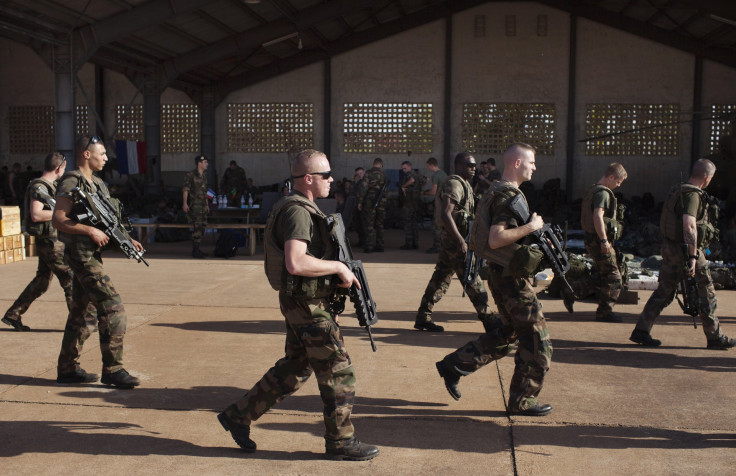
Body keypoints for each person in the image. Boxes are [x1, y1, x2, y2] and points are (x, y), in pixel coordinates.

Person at [217, 149, 380, 461]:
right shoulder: (298, 211)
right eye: (326, 175)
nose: (332, 180)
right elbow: (295, 261)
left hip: (303, 301)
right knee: (338, 371)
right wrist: (337, 268)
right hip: (308, 304)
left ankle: (238, 416)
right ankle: (341, 442)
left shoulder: (302, 206)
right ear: (308, 179)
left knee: (296, 366)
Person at [436, 143, 553, 416]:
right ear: (516, 163)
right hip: (510, 277)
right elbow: (496, 238)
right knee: (538, 342)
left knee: (509, 335)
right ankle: (522, 400)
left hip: (503, 274)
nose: (534, 167)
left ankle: (455, 364)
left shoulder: (499, 191)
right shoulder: (508, 196)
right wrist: (531, 227)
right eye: (531, 162)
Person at [52, 135, 142, 388]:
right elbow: (58, 219)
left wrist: (126, 240)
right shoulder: (72, 180)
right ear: (86, 154)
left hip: (92, 255)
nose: (106, 158)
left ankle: (67, 368)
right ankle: (113, 370)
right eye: (101, 153)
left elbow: (108, 223)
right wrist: (89, 231)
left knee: (83, 313)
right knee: (113, 309)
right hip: (81, 256)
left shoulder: (99, 184)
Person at [630, 159, 735, 349]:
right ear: (707, 177)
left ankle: (641, 330)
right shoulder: (692, 195)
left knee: (664, 291)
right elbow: (689, 225)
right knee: (706, 291)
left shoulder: (679, 190)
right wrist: (693, 257)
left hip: (671, 249)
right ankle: (714, 337)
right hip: (685, 251)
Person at [2, 152, 94, 332]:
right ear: (59, 168)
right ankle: (81, 321)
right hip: (50, 243)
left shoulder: (49, 186)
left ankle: (13, 314)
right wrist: (62, 215)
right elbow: (36, 215)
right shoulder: (39, 186)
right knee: (70, 278)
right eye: (64, 169)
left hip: (51, 240)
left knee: (42, 281)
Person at [413, 152, 491, 332]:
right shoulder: (455, 183)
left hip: (455, 240)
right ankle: (490, 320)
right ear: (459, 166)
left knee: (440, 279)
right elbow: (446, 214)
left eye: (474, 165)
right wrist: (460, 242)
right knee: (473, 280)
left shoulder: (465, 185)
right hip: (456, 242)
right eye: (469, 166)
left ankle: (423, 316)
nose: (473, 169)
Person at [571, 163, 628, 322]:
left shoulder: (593, 189)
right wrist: (603, 240)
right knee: (614, 276)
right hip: (598, 239)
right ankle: (605, 312)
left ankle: (571, 290)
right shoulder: (602, 193)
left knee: (602, 274)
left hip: (592, 238)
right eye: (618, 181)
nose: (618, 185)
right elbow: (598, 216)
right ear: (611, 177)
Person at [357, 158, 387, 253]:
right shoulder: (384, 174)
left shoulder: (369, 173)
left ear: (373, 164)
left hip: (371, 201)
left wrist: (360, 201)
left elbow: (363, 188)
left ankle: (370, 246)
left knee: (369, 223)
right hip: (382, 201)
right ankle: (380, 245)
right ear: (381, 164)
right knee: (380, 224)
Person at [182, 155, 209, 259]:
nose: (207, 164)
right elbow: (185, 189)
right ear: (199, 163)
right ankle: (195, 250)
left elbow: (205, 192)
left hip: (203, 207)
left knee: (202, 227)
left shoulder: (204, 176)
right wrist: (185, 203)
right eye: (205, 162)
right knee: (197, 227)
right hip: (195, 206)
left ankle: (198, 249)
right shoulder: (190, 175)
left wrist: (207, 204)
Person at [422, 157, 448, 253]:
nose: (428, 168)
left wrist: (424, 193)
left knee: (437, 224)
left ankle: (437, 246)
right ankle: (442, 245)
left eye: (428, 166)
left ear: (432, 165)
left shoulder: (435, 175)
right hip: (445, 202)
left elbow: (433, 192)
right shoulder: (444, 174)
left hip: (439, 203)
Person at [400, 160, 422, 250]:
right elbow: (426, 179)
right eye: (403, 169)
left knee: (408, 224)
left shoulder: (409, 174)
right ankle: (415, 243)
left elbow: (412, 180)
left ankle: (409, 244)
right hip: (416, 203)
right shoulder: (418, 175)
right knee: (414, 224)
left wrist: (404, 186)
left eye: (405, 168)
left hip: (409, 203)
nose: (404, 170)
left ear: (410, 167)